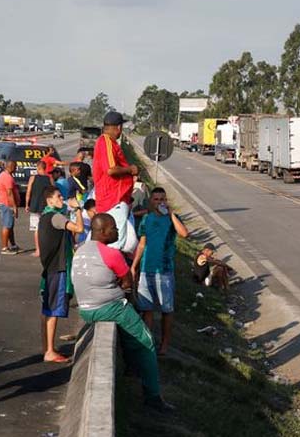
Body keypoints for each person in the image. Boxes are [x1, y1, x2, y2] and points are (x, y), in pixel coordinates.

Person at [71, 214, 172, 412]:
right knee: (146, 340)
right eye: (113, 228)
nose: (117, 231)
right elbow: (127, 282)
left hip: (85, 310)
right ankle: (153, 397)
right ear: (102, 232)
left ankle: (131, 368)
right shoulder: (111, 254)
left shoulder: (80, 250)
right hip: (109, 307)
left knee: (129, 337)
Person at [131, 187, 189, 356]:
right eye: (156, 199)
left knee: (166, 309)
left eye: (162, 199)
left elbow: (184, 234)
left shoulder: (172, 219)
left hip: (164, 270)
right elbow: (142, 244)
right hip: (146, 269)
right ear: (151, 202)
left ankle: (165, 344)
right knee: (147, 309)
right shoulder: (146, 219)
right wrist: (134, 266)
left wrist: (171, 214)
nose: (160, 202)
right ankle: (148, 342)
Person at [38, 187, 84, 363]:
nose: (61, 199)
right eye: (58, 196)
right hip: (58, 268)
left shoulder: (45, 216)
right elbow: (79, 228)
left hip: (49, 268)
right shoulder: (56, 217)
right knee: (53, 310)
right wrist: (78, 209)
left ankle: (47, 347)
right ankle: (49, 351)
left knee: (46, 309)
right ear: (50, 200)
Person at [93, 111, 139, 250]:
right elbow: (111, 170)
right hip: (113, 200)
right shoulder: (106, 141)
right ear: (118, 127)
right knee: (115, 245)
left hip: (115, 200)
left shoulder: (108, 142)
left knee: (121, 244)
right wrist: (131, 169)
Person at [26, 160, 54, 258]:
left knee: (36, 229)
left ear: (37, 168)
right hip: (46, 206)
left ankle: (38, 250)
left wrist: (26, 204)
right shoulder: (49, 178)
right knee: (47, 228)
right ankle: (47, 249)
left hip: (35, 206)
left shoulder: (33, 178)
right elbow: (53, 191)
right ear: (45, 168)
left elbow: (28, 191)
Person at [0, 160, 20, 255]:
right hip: (6, 204)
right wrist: (14, 207)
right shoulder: (7, 178)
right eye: (15, 166)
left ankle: (13, 245)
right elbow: (9, 193)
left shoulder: (4, 175)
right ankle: (4, 248)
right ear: (10, 167)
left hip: (6, 203)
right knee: (7, 225)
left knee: (10, 225)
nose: (16, 169)